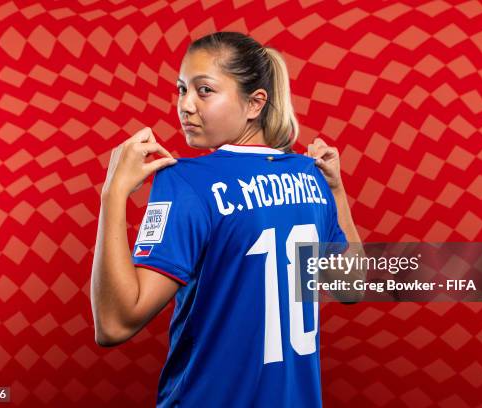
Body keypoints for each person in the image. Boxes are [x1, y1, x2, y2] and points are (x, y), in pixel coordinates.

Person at [91, 31, 363, 407]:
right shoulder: (310, 175)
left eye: (204, 91)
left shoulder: (186, 181)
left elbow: (115, 323)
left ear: (255, 103)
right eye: (182, 89)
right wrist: (336, 191)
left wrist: (113, 194)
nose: (185, 105)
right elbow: (353, 286)